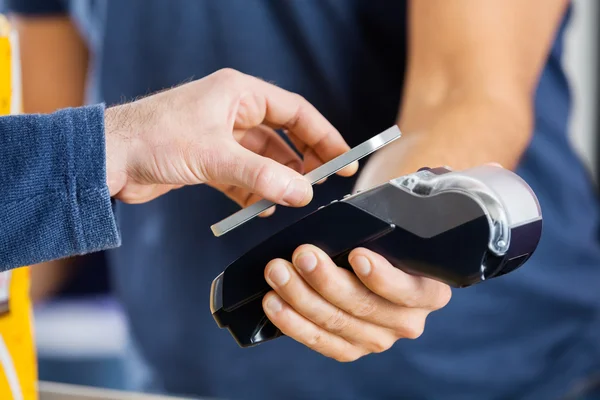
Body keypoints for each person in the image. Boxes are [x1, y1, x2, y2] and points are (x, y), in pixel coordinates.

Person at [5, 0, 600, 399]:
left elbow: (464, 92)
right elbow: (48, 151)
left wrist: (381, 230)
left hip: (481, 375)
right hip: (185, 374)